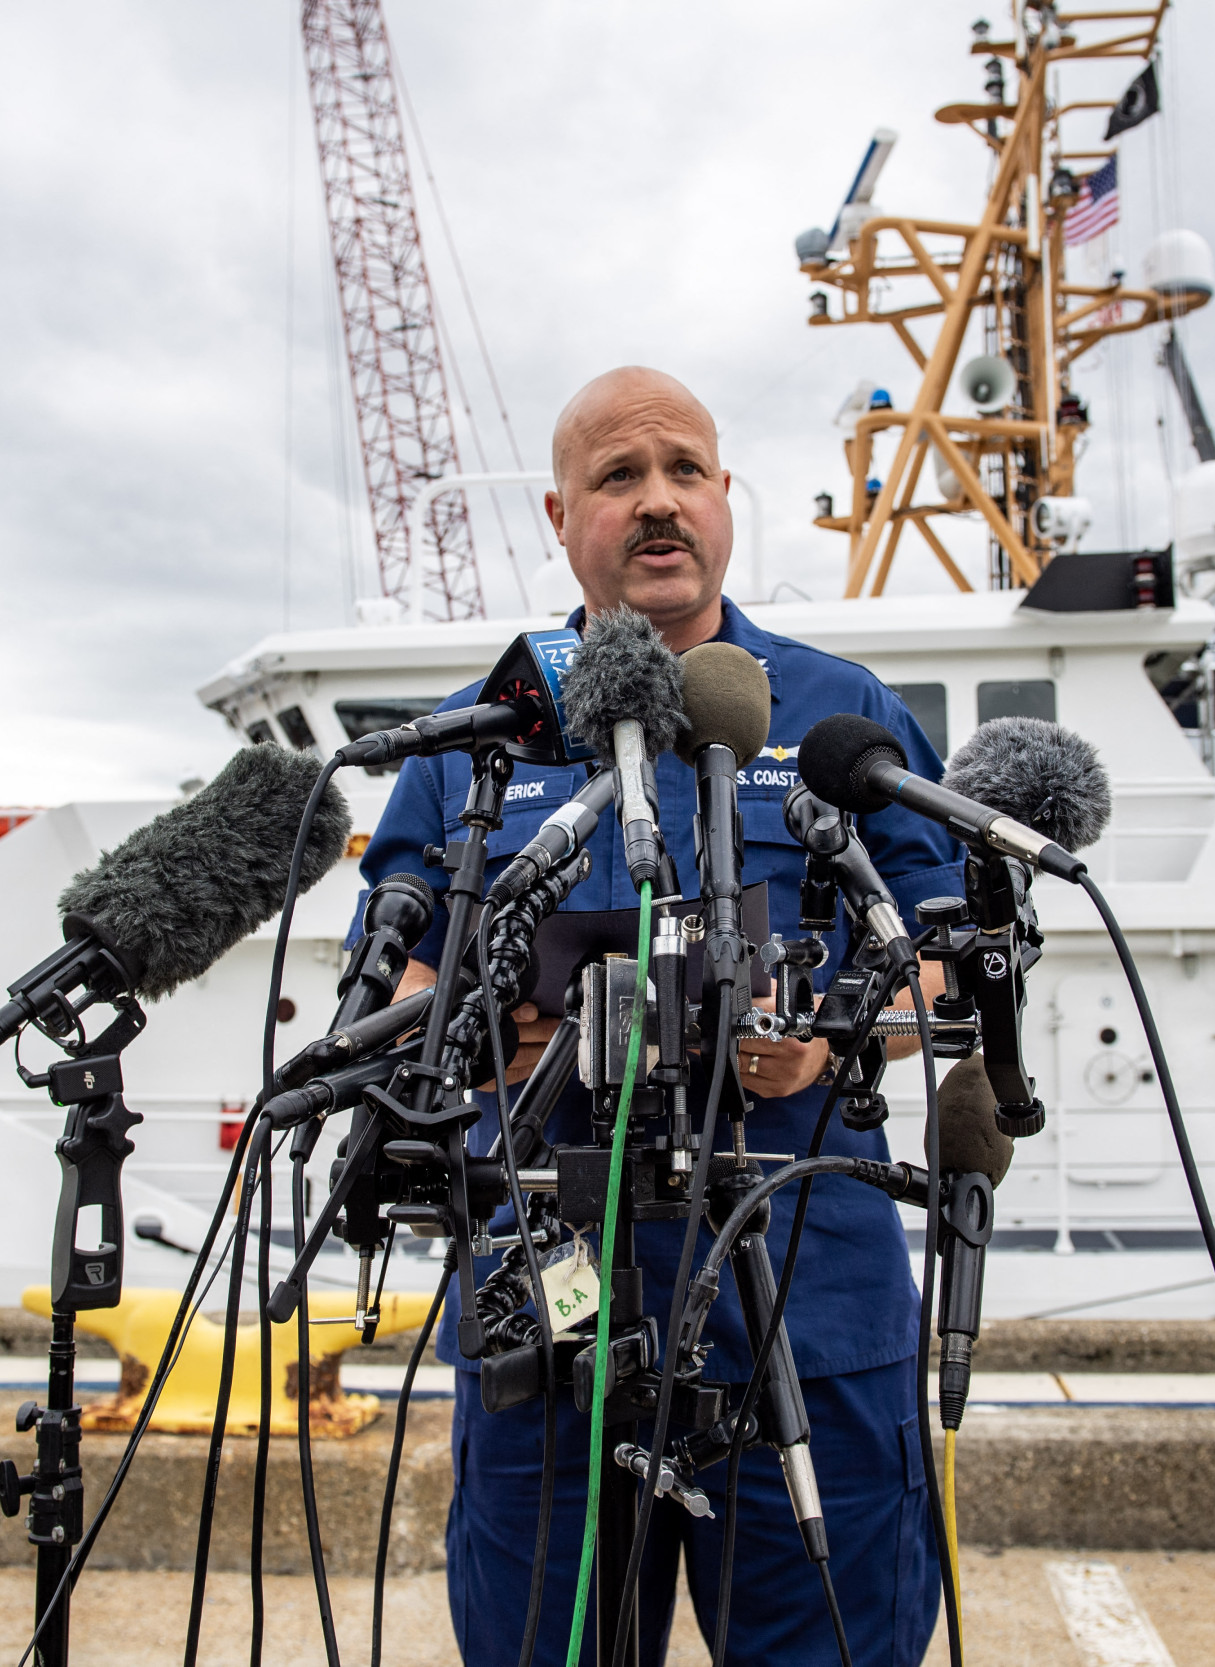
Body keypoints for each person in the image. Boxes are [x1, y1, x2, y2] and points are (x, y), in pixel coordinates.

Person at [348, 367, 963, 1667]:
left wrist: (844, 1028)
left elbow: (947, 955)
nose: (658, 502)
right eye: (620, 478)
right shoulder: (483, 740)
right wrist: (470, 1028)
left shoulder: (843, 716)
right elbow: (394, 973)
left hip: (801, 1278)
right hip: (553, 1276)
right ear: (564, 515)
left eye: (684, 469)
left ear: (726, 497)